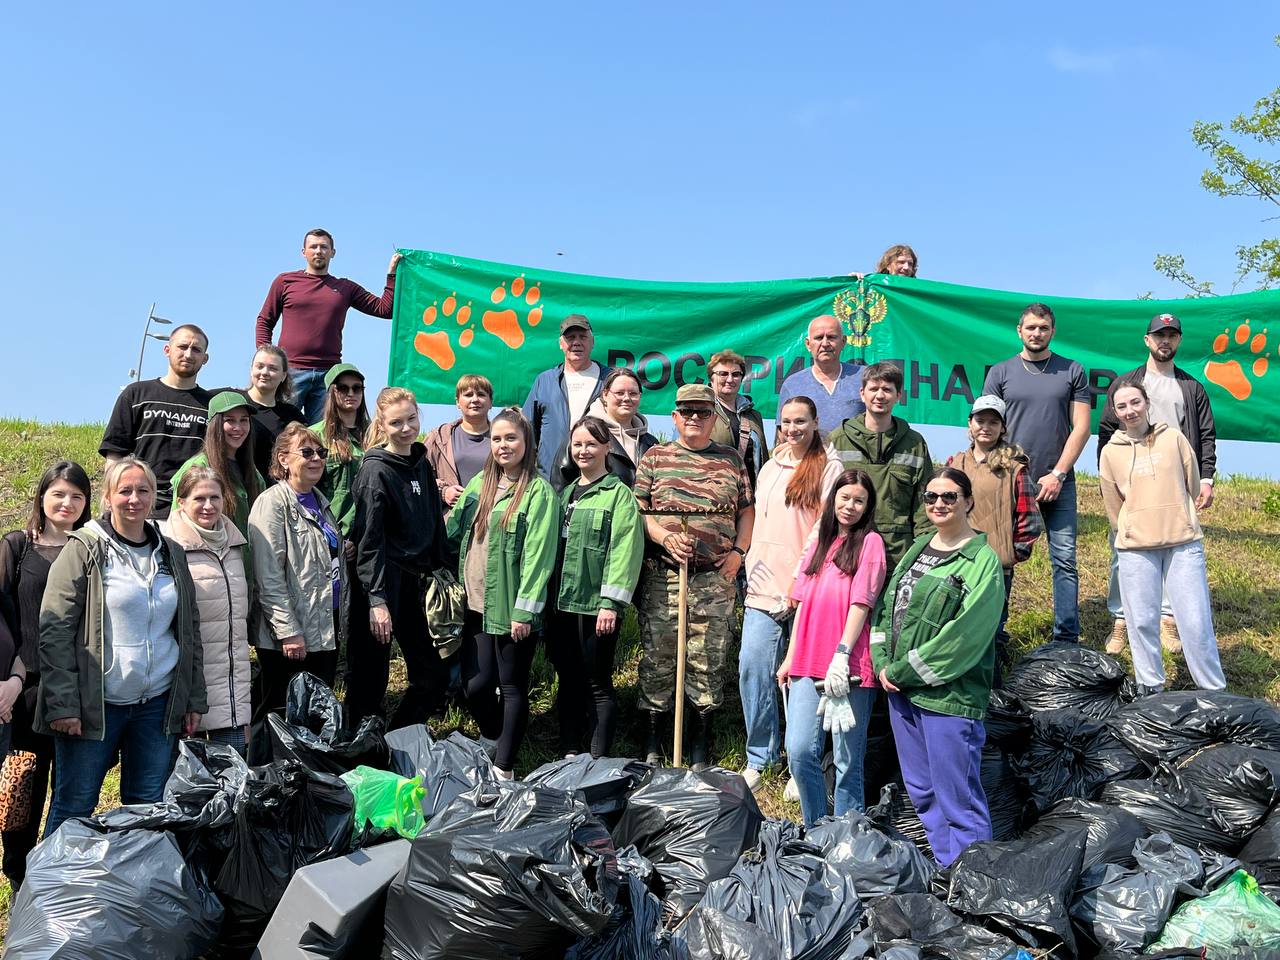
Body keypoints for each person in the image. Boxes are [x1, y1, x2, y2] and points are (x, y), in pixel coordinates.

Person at [38, 458, 206, 839]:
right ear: (108, 497)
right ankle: (49, 894)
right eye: (125, 490)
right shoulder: (84, 547)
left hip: (157, 706)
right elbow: (55, 630)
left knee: (147, 807)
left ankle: (134, 895)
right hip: (97, 705)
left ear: (154, 496)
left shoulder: (171, 552)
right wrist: (63, 704)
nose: (134, 498)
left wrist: (193, 698)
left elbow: (189, 629)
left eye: (143, 490)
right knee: (74, 806)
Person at [871, 467, 1005, 867]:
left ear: (968, 502)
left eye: (949, 497)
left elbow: (963, 639)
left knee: (957, 798)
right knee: (923, 792)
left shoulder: (982, 562)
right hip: (902, 694)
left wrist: (901, 672)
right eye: (931, 497)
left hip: (948, 699)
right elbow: (887, 609)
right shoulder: (920, 547)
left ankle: (976, 882)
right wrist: (881, 661)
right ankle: (950, 867)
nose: (939, 504)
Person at [634, 384, 754, 769]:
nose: (694, 419)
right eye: (686, 412)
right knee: (659, 657)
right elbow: (639, 512)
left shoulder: (732, 460)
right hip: (664, 575)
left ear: (713, 418)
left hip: (715, 578)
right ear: (674, 417)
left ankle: (701, 743)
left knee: (708, 658)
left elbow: (746, 512)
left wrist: (738, 554)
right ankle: (654, 742)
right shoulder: (655, 457)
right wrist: (665, 536)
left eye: (702, 412)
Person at [446, 407, 559, 779]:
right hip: (477, 604)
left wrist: (525, 611)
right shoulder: (481, 485)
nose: (503, 445)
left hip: (512, 609)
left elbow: (539, 556)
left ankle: (505, 769)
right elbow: (452, 532)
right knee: (475, 685)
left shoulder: (538, 492)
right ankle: (493, 735)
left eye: (511, 438)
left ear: (527, 443)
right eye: (497, 439)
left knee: (511, 687)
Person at [1097, 312, 1218, 654]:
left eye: (1172, 335)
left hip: (1174, 486)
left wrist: (1205, 478)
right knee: (1124, 549)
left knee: (1174, 549)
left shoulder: (1192, 387)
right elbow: (1106, 433)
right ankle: (1121, 621)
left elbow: (1206, 435)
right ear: (1147, 340)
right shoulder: (1127, 384)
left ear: (1178, 340)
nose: (1165, 341)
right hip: (1133, 484)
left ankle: (1167, 620)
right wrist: (1112, 480)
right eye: (1158, 335)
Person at [739, 396, 842, 791]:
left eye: (801, 421)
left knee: (801, 677)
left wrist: (799, 584)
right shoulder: (769, 466)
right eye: (786, 421)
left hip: (805, 591)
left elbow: (823, 532)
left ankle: (805, 759)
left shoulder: (830, 468)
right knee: (753, 668)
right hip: (762, 590)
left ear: (816, 422)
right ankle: (761, 756)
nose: (793, 428)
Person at [1099, 384, 1227, 695]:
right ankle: (1150, 687)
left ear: (1146, 403)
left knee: (1195, 622)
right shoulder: (1110, 452)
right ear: (1115, 413)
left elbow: (1192, 482)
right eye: (1122, 406)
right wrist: (1129, 529)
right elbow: (1113, 504)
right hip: (1135, 547)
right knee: (1141, 622)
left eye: (1135, 402)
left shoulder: (1174, 438)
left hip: (1182, 541)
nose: (1130, 410)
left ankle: (1213, 689)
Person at [0, 461, 91, 887]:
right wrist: (13, 676)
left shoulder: (93, 549)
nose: (67, 503)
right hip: (25, 692)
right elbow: (6, 618)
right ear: (41, 497)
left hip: (75, 688)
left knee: (71, 789)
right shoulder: (18, 546)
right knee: (21, 788)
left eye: (76, 495)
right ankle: (17, 875)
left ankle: (54, 881)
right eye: (59, 493)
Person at [779, 469, 887, 825]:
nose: (850, 506)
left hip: (848, 668)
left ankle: (846, 837)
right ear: (833, 499)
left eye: (859, 500)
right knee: (799, 752)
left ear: (868, 506)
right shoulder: (821, 542)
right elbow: (802, 604)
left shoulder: (870, 543)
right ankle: (815, 827)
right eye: (845, 497)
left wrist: (842, 654)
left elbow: (862, 603)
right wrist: (790, 657)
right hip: (807, 662)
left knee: (846, 761)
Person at [982, 302, 1090, 644]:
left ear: (1052, 332)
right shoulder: (1000, 373)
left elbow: (1082, 428)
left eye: (1043, 328)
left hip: (1058, 481)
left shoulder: (1073, 370)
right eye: (1031, 327)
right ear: (1019, 330)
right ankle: (994, 635)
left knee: (1064, 559)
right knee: (1001, 559)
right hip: (1008, 480)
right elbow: (987, 428)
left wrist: (1058, 474)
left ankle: (1066, 638)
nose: (1036, 333)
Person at [347, 387, 449, 728]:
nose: (405, 428)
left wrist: (442, 570)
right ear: (382, 424)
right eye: (396, 422)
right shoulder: (375, 471)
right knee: (369, 677)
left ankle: (395, 741)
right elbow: (369, 541)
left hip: (414, 580)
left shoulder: (420, 461)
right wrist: (376, 600)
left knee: (432, 675)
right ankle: (359, 755)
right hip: (382, 580)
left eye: (411, 419)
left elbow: (433, 522)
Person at [247, 424, 347, 761]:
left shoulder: (320, 501)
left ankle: (304, 788)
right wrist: (289, 631)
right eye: (307, 452)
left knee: (313, 713)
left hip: (323, 629)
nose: (317, 458)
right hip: (289, 635)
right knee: (278, 713)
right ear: (283, 459)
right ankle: (263, 782)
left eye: (321, 453)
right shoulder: (272, 504)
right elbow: (269, 576)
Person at [547, 417, 644, 758]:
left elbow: (625, 550)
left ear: (607, 448)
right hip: (562, 604)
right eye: (577, 445)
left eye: (591, 444)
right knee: (569, 679)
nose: (583, 450)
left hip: (594, 606)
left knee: (597, 683)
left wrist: (610, 603)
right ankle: (569, 753)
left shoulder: (619, 495)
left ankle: (598, 757)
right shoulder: (565, 494)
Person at [256, 228, 402, 423]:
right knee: (281, 430)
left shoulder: (345, 288)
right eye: (313, 246)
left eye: (324, 247)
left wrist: (392, 275)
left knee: (321, 437)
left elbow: (385, 310)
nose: (318, 251)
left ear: (332, 252)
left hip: (328, 375)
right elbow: (265, 321)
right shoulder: (284, 282)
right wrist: (268, 358)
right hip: (291, 372)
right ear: (303, 252)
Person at [946, 395, 1043, 677]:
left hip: (997, 566)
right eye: (980, 420)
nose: (985, 427)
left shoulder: (1014, 466)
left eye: (993, 422)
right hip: (959, 561)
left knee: (993, 629)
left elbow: (1028, 516)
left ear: (1003, 428)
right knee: (957, 626)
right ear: (970, 424)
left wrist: (1014, 553)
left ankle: (992, 690)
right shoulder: (956, 463)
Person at [161, 467, 251, 754]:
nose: (209, 505)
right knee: (190, 787)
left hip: (232, 687)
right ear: (181, 502)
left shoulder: (235, 544)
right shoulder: (167, 545)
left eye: (215, 497)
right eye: (199, 498)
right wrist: (188, 696)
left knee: (232, 783)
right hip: (187, 688)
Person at [100, 323, 212, 518]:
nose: (188, 354)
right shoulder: (136, 394)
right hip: (141, 506)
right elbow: (115, 454)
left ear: (205, 359)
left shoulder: (210, 405)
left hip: (190, 510)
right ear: (167, 350)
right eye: (182, 347)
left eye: (196, 349)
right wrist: (111, 496)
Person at [829, 362, 933, 573]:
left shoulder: (914, 443)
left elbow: (924, 502)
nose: (880, 395)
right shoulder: (838, 440)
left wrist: (924, 551)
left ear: (899, 396)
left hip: (898, 558)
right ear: (862, 393)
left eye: (887, 389)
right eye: (874, 389)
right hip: (846, 554)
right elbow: (824, 499)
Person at [523, 315, 613, 490]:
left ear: (592, 342)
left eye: (583, 337)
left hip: (599, 484)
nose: (576, 342)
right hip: (549, 483)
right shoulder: (545, 381)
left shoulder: (610, 379)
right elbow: (526, 432)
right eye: (570, 337)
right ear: (560, 343)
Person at [170, 391, 265, 540]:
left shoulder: (253, 472)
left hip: (245, 562)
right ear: (214, 424)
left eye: (244, 420)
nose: (238, 427)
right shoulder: (198, 468)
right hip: (210, 560)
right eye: (230, 420)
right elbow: (179, 530)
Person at [776, 315, 866, 437]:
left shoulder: (864, 378)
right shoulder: (792, 384)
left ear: (843, 341)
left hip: (856, 456)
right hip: (809, 456)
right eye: (818, 338)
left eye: (831, 337)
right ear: (808, 344)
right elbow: (782, 435)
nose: (825, 343)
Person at [312, 363, 371, 539]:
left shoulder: (378, 434)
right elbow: (305, 492)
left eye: (357, 388)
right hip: (331, 535)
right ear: (331, 392)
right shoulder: (313, 435)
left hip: (371, 535)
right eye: (343, 388)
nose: (351, 393)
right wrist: (331, 535)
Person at [577, 367, 656, 488]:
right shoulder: (584, 434)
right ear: (605, 394)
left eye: (633, 393)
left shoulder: (652, 444)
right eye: (619, 393)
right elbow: (562, 483)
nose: (626, 398)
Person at [425, 374, 494, 510]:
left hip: (492, 521)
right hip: (449, 524)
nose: (475, 399)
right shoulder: (439, 437)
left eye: (481, 394)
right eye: (468, 395)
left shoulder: (503, 437)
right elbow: (417, 477)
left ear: (491, 401)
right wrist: (443, 492)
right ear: (457, 402)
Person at [241, 344, 306, 479]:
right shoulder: (232, 401)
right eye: (260, 366)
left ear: (283, 376)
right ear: (251, 370)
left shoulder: (292, 415)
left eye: (272, 368)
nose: (264, 372)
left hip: (276, 493)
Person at [708, 349, 769, 489]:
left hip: (749, 500)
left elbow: (763, 460)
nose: (730, 379)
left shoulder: (754, 416)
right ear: (711, 379)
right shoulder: (699, 412)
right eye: (723, 374)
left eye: (736, 374)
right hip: (712, 499)